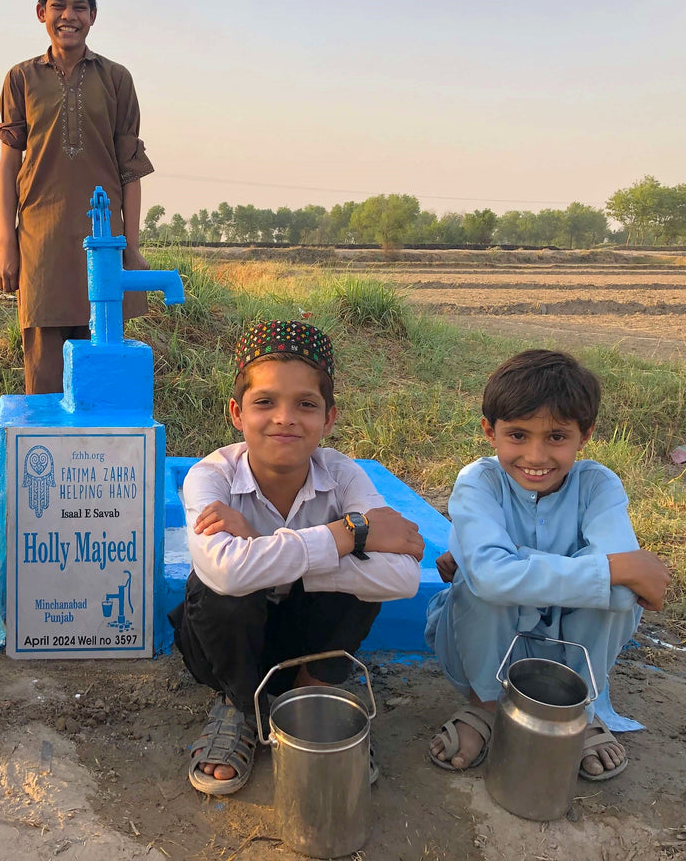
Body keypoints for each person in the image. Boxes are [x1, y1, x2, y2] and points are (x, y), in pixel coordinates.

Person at [169, 320, 425, 794]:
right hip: (227, 646)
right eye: (264, 402)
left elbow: (403, 578)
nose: (284, 418)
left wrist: (266, 552)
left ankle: (313, 692)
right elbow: (223, 570)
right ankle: (240, 705)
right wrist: (350, 534)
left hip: (311, 640)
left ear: (328, 419)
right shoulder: (211, 477)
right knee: (221, 588)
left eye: (305, 404)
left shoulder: (344, 476)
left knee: (359, 583)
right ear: (236, 413)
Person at [425, 349, 669, 778]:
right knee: (481, 590)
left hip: (569, 646)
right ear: (490, 431)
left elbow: (624, 590)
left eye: (556, 437)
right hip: (484, 644)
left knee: (615, 598)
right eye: (518, 435)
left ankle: (578, 709)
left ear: (585, 435)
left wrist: (510, 564)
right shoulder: (479, 482)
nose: (536, 456)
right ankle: (483, 707)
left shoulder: (598, 485)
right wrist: (609, 567)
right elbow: (490, 581)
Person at [0, 0, 154, 394]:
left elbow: (130, 169)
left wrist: (132, 249)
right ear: (41, 12)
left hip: (103, 241)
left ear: (93, 15)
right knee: (45, 370)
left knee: (103, 360)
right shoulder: (21, 78)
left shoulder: (117, 79)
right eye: (59, 6)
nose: (70, 16)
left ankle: (99, 463)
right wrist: (7, 245)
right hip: (40, 240)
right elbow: (10, 165)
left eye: (80, 7)